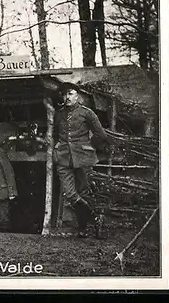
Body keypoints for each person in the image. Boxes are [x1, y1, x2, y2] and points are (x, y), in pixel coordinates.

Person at [53, 82, 113, 238]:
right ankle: (96, 218)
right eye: (65, 94)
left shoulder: (87, 113)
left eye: (70, 94)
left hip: (83, 158)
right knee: (70, 193)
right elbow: (55, 135)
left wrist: (87, 147)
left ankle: (83, 228)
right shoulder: (58, 114)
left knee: (84, 192)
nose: (67, 97)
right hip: (64, 158)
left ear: (77, 96)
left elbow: (101, 135)